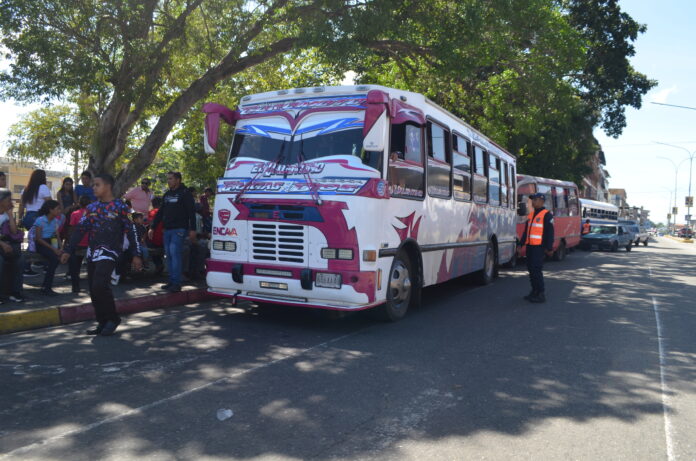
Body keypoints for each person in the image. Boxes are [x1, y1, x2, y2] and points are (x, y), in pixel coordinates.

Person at [61, 174, 143, 336]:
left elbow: (132, 230)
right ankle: (102, 321)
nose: (93, 188)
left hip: (111, 252)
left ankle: (113, 318)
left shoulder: (121, 207)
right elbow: (80, 230)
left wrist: (136, 254)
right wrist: (68, 250)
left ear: (108, 186)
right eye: (93, 185)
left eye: (97, 185)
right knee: (93, 288)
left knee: (100, 285)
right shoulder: (91, 208)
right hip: (93, 253)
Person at [149, 172, 196, 293]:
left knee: (175, 254)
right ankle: (171, 281)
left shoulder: (185, 193)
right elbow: (160, 212)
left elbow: (192, 212)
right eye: (168, 179)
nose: (168, 181)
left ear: (178, 180)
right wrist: (152, 227)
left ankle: (177, 283)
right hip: (167, 229)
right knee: (168, 255)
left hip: (179, 229)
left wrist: (193, 229)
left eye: (170, 179)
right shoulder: (167, 194)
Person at [518, 192, 555, 303]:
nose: (533, 201)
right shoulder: (531, 215)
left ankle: (541, 293)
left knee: (536, 270)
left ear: (541, 201)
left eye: (535, 199)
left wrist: (549, 248)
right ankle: (534, 291)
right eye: (532, 199)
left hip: (539, 248)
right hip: (530, 247)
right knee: (531, 270)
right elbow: (526, 232)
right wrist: (520, 244)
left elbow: (550, 233)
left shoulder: (547, 215)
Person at [17, 169, 52, 277]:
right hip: (39, 217)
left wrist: (19, 219)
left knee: (34, 241)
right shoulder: (43, 188)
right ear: (42, 177)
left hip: (28, 217)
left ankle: (37, 264)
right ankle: (40, 266)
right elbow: (50, 203)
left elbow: (21, 205)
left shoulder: (26, 189)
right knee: (43, 240)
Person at [34, 200, 64, 296]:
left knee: (59, 258)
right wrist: (54, 249)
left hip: (51, 242)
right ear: (50, 210)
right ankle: (46, 287)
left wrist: (61, 248)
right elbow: (38, 239)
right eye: (57, 209)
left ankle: (46, 286)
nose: (60, 210)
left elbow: (57, 236)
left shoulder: (55, 221)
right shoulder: (40, 220)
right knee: (54, 259)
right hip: (42, 244)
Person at [0, 188, 26, 303]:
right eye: (8, 200)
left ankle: (15, 292)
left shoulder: (6, 214)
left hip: (6, 244)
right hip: (2, 245)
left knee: (20, 259)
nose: (11, 202)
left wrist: (10, 215)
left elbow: (14, 232)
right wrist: (2, 244)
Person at [68, 195, 91, 293]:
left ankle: (75, 287)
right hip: (90, 244)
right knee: (91, 267)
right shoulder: (93, 214)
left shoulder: (75, 214)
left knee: (75, 267)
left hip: (78, 243)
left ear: (79, 204)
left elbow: (72, 229)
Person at [147, 196, 165, 274]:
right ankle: (159, 264)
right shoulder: (165, 212)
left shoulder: (152, 212)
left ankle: (158, 264)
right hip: (164, 239)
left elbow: (148, 224)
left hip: (154, 239)